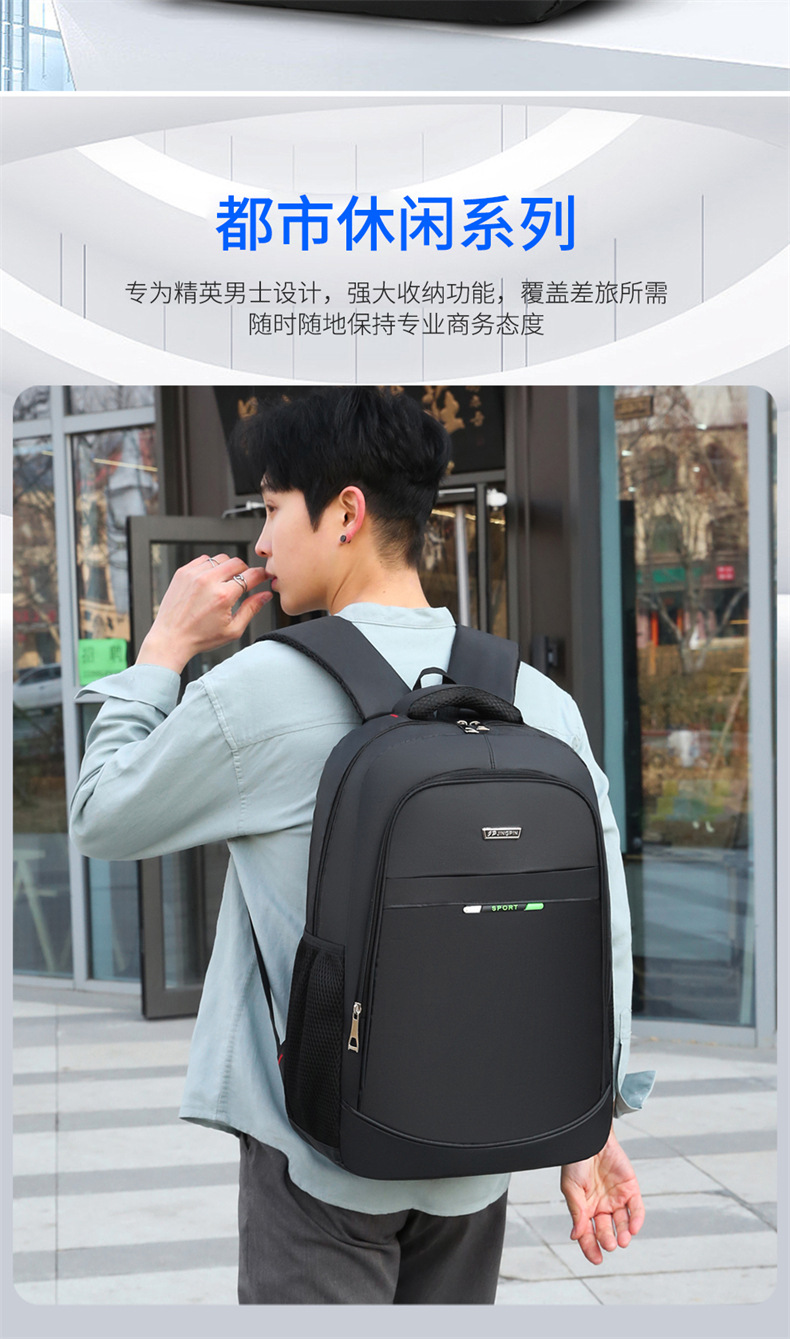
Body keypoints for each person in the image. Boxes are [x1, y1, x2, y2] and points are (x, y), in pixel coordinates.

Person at [70, 387, 653, 1305]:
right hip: (482, 1152)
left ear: (344, 512)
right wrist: (593, 1117)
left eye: (271, 509)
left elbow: (101, 814)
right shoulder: (537, 700)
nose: (261, 541)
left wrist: (163, 649)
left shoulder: (260, 688)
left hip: (320, 1161)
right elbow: (600, 926)